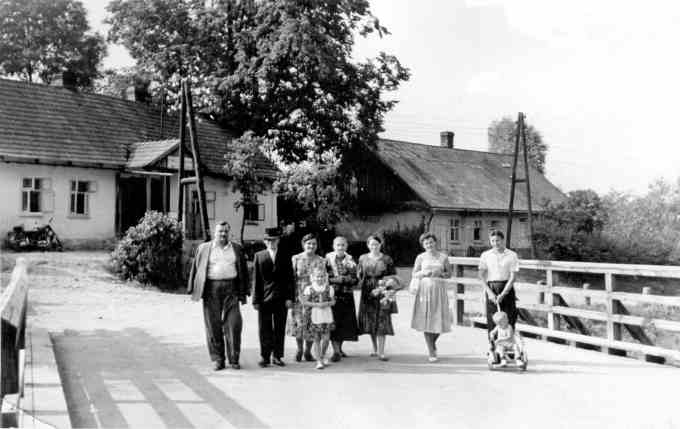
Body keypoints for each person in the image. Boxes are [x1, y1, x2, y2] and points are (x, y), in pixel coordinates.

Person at [187, 221, 249, 370]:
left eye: (225, 231)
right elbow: (196, 268)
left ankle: (234, 358)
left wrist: (245, 291)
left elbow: (243, 271)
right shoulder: (203, 248)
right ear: (214, 233)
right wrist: (192, 288)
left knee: (234, 324)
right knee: (212, 325)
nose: (223, 234)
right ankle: (218, 359)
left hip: (231, 288)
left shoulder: (237, 249)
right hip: (211, 289)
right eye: (220, 231)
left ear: (229, 233)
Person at [252, 227, 295, 368]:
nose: (271, 243)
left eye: (274, 240)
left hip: (282, 298)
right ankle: (264, 356)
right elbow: (256, 280)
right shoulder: (259, 256)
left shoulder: (285, 255)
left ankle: (277, 356)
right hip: (264, 299)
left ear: (278, 240)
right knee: (264, 328)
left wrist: (290, 298)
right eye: (269, 240)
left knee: (279, 327)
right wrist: (255, 300)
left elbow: (290, 279)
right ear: (265, 241)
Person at [357, 235, 401, 361]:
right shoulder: (362, 258)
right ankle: (374, 348)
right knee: (370, 320)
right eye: (371, 244)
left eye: (376, 244)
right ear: (368, 245)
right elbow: (359, 275)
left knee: (382, 319)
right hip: (368, 291)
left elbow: (393, 276)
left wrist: (388, 288)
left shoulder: (387, 259)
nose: (374, 246)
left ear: (380, 245)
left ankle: (381, 351)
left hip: (383, 290)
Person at [410, 232, 453, 362]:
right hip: (425, 289)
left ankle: (432, 343)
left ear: (435, 243)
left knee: (439, 318)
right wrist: (424, 272)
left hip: (439, 289)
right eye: (426, 243)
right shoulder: (420, 257)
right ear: (423, 245)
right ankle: (431, 352)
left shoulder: (443, 257)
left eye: (431, 242)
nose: (429, 245)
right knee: (427, 319)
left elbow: (449, 274)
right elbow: (414, 273)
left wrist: (440, 274)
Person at [478, 230, 520, 355]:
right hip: (491, 287)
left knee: (509, 318)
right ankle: (494, 347)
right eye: (493, 241)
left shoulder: (512, 255)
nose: (496, 243)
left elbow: (513, 277)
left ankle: (509, 347)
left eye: (498, 240)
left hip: (506, 287)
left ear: (503, 240)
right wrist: (490, 293)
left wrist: (504, 293)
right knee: (493, 319)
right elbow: (481, 276)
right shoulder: (486, 255)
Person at [286, 233, 326, 362]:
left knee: (312, 324)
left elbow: (324, 279)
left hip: (314, 296)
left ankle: (308, 351)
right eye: (308, 243)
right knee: (299, 323)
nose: (311, 246)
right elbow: (290, 279)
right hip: (299, 295)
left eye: (314, 244)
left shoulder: (321, 260)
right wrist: (290, 297)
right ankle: (299, 349)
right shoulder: (295, 259)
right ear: (303, 244)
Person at [325, 236, 360, 362]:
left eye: (343, 245)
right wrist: (337, 279)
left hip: (347, 295)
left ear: (346, 246)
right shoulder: (328, 259)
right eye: (338, 245)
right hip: (333, 295)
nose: (340, 247)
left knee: (345, 323)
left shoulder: (351, 260)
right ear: (334, 246)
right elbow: (324, 277)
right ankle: (335, 351)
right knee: (334, 322)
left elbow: (356, 279)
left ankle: (339, 349)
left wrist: (347, 279)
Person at [301, 266, 336, 369]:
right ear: (313, 277)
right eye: (317, 276)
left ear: (325, 277)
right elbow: (305, 302)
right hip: (315, 317)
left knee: (326, 339)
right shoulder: (309, 288)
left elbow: (333, 301)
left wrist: (326, 303)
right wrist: (317, 305)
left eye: (322, 276)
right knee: (317, 340)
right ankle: (319, 361)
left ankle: (322, 355)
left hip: (327, 316)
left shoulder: (329, 288)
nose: (320, 278)